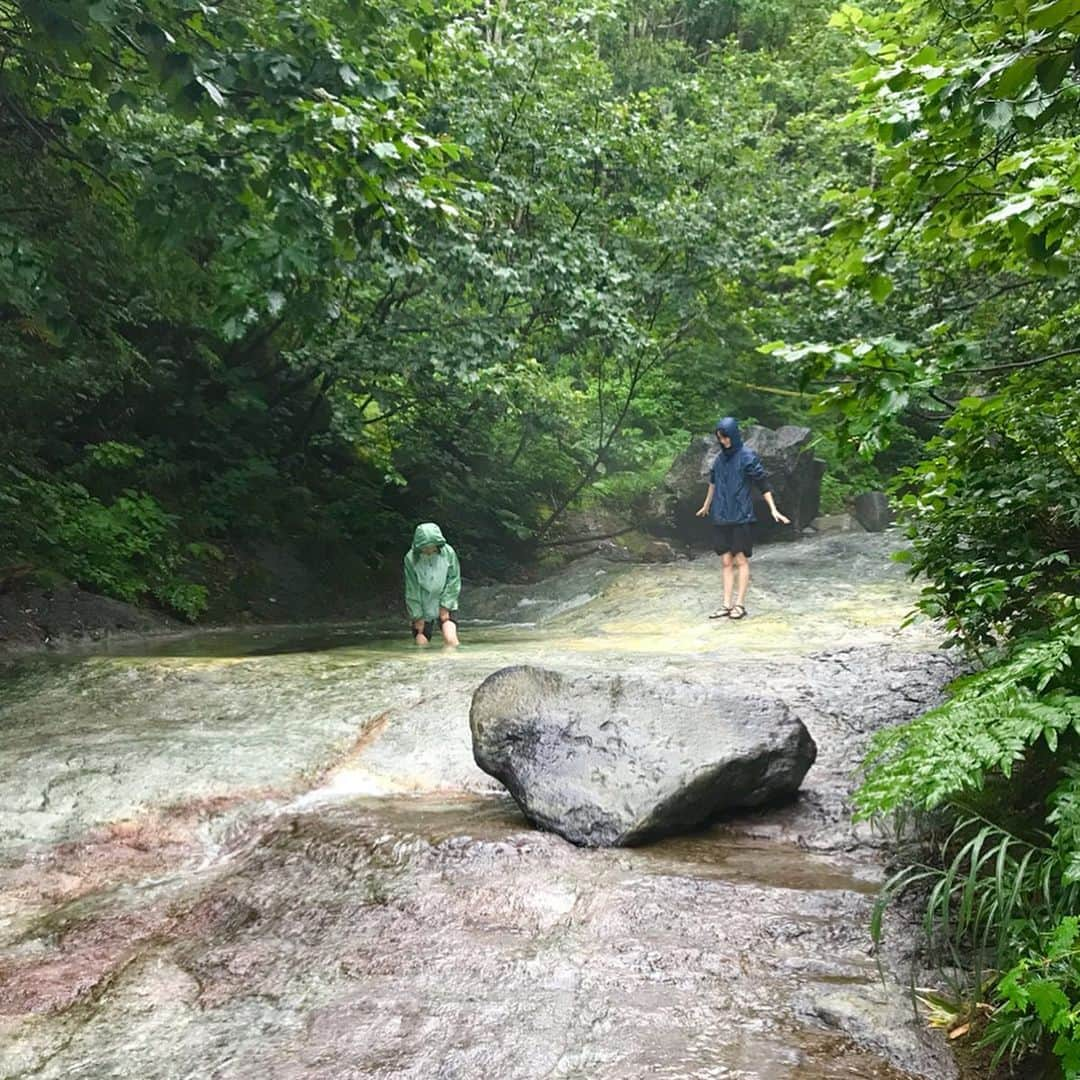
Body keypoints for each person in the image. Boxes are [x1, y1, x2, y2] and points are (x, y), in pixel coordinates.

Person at [695, 417, 790, 620]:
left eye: (726, 437)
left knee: (740, 559)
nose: (723, 442)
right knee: (726, 561)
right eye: (720, 438)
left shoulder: (747, 457)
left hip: (741, 516)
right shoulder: (719, 460)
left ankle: (740, 605)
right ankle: (726, 604)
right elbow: (713, 483)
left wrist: (773, 509)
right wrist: (706, 505)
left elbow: (763, 484)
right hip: (721, 515)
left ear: (734, 435)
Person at [403, 522, 461, 646]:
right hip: (423, 604)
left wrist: (446, 605)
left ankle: (453, 661)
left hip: (445, 599)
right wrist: (417, 616)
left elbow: (454, 580)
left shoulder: (448, 552)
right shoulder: (410, 558)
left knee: (451, 639)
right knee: (421, 640)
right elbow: (412, 588)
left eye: (432, 547)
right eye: (425, 548)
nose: (429, 550)